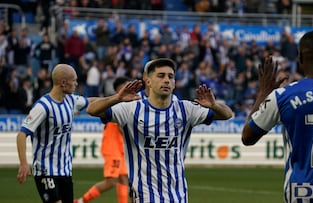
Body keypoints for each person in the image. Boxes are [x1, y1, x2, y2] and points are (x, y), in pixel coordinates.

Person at [86, 58, 233, 202]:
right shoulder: (132, 109)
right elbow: (92, 109)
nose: (167, 80)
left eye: (171, 77)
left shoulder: (186, 109)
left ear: (175, 83)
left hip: (179, 195)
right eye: (161, 76)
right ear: (148, 81)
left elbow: (227, 114)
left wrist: (214, 105)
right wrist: (117, 98)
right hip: (145, 195)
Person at [241, 30, 313, 202]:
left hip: (300, 194)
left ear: (300, 59)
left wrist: (263, 94)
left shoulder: (281, 96)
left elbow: (247, 137)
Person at [16, 64, 97, 203]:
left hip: (65, 171)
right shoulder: (42, 107)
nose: (76, 84)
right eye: (74, 80)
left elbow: (90, 101)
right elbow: (22, 135)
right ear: (63, 82)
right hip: (45, 170)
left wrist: (117, 98)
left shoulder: (70, 100)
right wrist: (24, 164)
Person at [75, 77, 131, 203]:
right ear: (118, 89)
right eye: (126, 86)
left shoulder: (126, 103)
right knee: (111, 181)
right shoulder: (114, 103)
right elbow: (122, 129)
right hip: (112, 148)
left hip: (120, 148)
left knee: (124, 178)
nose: (130, 89)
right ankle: (81, 201)